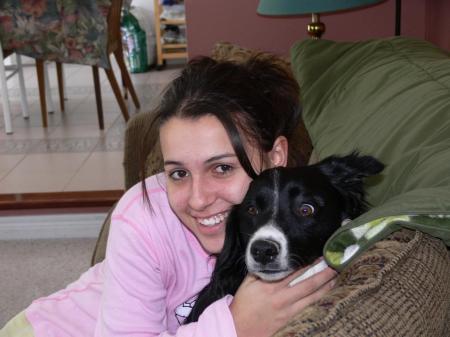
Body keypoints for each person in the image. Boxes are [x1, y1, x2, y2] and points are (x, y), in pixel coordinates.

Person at [1, 55, 336, 337]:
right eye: (178, 173)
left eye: (221, 168)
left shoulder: (302, 216)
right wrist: (234, 325)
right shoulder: (142, 218)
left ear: (276, 156)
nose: (197, 199)